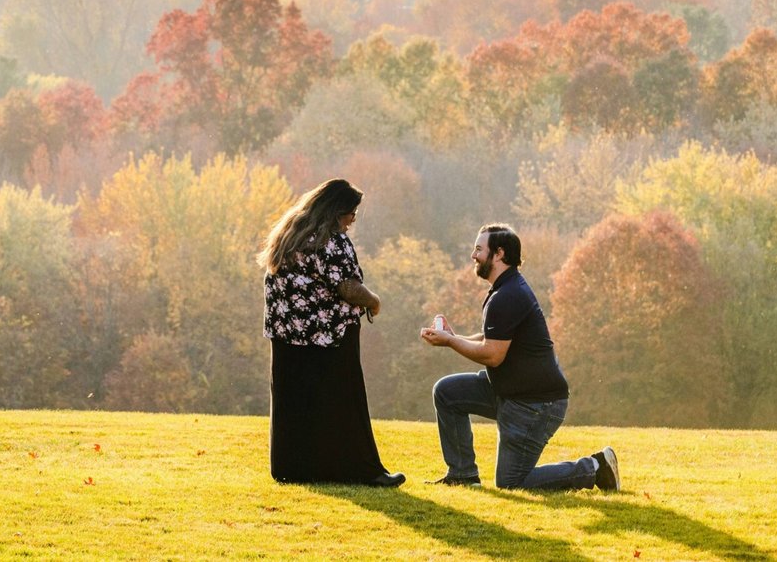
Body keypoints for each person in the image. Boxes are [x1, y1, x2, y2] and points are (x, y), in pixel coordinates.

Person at [420, 223, 619, 491]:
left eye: (479, 249)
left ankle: (595, 468)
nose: (473, 255)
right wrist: (454, 338)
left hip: (536, 405)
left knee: (512, 482)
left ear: (499, 253)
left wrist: (450, 341)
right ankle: (462, 474)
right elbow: (491, 340)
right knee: (447, 392)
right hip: (509, 393)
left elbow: (493, 356)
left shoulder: (508, 295)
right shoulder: (505, 289)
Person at [259, 178, 405, 487]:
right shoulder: (332, 241)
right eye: (351, 212)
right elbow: (348, 287)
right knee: (344, 401)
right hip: (329, 334)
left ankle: (293, 468)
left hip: (287, 334)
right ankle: (363, 469)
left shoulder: (289, 236)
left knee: (296, 402)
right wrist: (374, 301)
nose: (353, 219)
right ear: (337, 211)